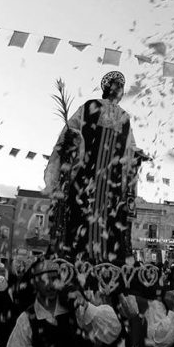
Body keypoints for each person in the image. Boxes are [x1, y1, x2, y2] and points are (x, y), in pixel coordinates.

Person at [44, 71, 144, 263]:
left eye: (121, 87)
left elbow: (129, 147)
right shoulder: (90, 106)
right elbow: (69, 131)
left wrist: (136, 154)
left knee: (111, 222)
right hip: (85, 175)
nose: (118, 90)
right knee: (79, 217)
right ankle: (76, 259)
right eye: (115, 86)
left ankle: (108, 261)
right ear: (107, 89)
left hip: (112, 183)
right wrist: (71, 139)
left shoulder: (124, 117)